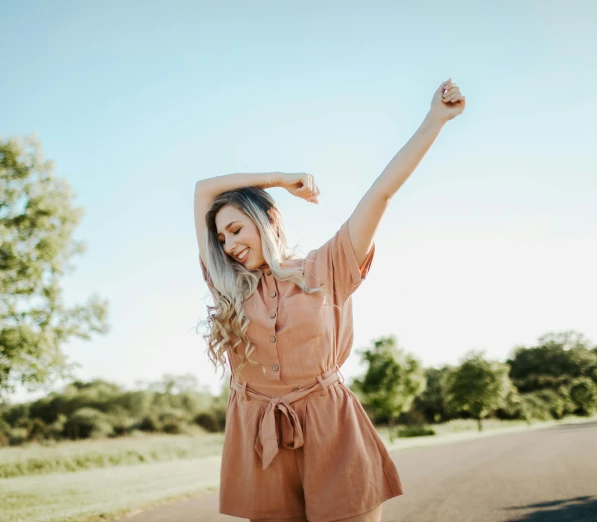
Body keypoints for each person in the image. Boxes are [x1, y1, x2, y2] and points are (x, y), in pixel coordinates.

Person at [193, 79, 466, 522]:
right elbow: (203, 189)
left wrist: (434, 120)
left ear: (268, 221)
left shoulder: (327, 266)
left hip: (331, 428)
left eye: (237, 229)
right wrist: (279, 179)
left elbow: (381, 192)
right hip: (260, 436)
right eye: (220, 237)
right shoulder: (228, 284)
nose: (227, 245)